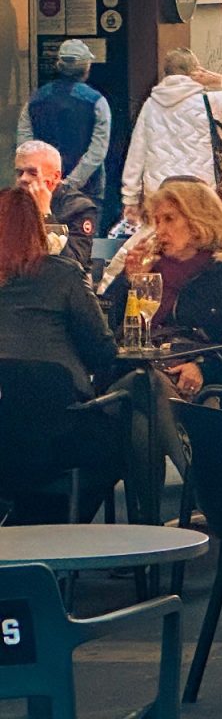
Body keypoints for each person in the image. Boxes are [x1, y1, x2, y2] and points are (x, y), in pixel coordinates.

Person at [0, 187, 122, 523]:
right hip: (57, 432)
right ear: (39, 230)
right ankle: (61, 528)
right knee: (118, 443)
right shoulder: (64, 274)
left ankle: (27, 521)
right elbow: (102, 350)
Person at [108, 179, 222, 393]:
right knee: (147, 385)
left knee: (152, 388)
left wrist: (203, 368)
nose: (160, 230)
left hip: (193, 380)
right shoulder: (148, 269)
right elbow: (109, 328)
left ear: (198, 222)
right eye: (157, 221)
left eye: (169, 219)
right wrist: (129, 282)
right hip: (136, 373)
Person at [120, 48, 222, 223]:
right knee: (201, 238)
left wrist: (130, 199)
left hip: (159, 194)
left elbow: (136, 154)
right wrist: (217, 80)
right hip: (200, 191)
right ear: (196, 72)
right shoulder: (210, 102)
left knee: (163, 241)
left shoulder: (150, 105)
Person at [16, 39, 110, 205]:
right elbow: (97, 151)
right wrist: (70, 184)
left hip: (41, 187)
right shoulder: (97, 102)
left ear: (59, 66)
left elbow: (24, 146)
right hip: (87, 189)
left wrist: (39, 178)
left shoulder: (34, 100)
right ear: (86, 67)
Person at [14, 139, 97, 270]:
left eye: (32, 172)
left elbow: (74, 265)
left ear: (56, 177)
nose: (23, 179)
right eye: (19, 173)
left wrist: (44, 214)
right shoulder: (10, 203)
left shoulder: (79, 207)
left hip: (61, 285)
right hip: (17, 283)